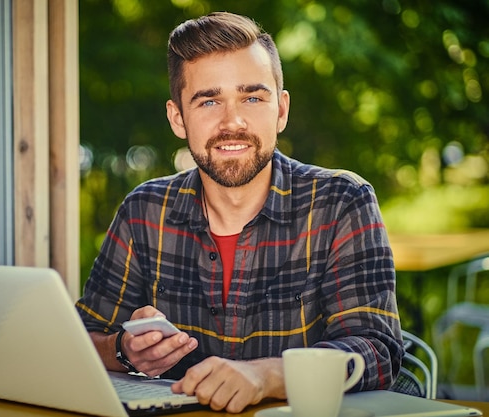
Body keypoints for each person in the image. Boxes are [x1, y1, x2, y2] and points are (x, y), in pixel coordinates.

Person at [76, 11, 404, 413]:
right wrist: (125, 350)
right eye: (209, 100)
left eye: (252, 97)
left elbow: (377, 348)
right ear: (178, 117)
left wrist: (267, 375)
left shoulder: (340, 202)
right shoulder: (144, 211)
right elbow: (81, 338)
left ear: (280, 110)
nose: (232, 121)